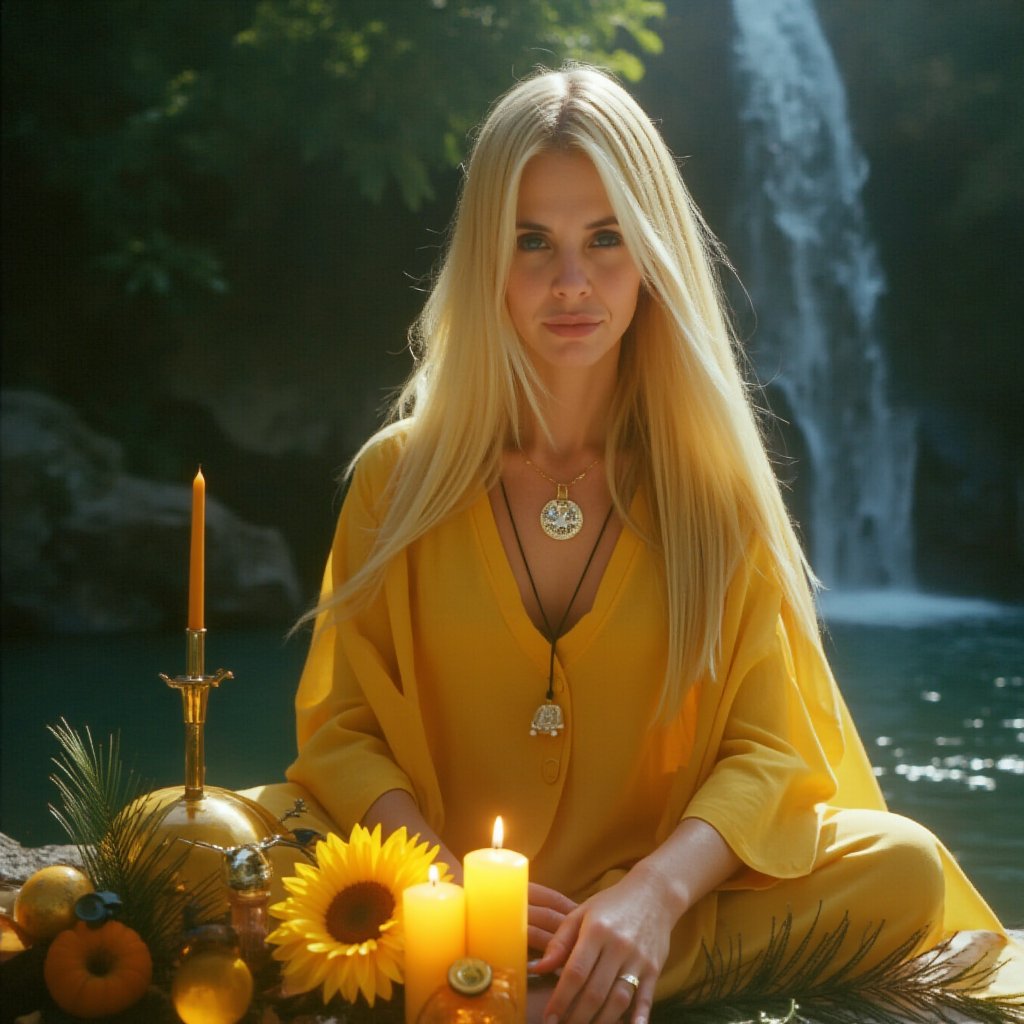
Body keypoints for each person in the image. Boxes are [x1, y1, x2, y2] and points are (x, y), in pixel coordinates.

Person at [250, 64, 1018, 1024]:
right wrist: (436, 886)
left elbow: (768, 750)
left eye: (606, 238)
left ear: (652, 251)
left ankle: (561, 979)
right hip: (428, 884)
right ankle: (500, 968)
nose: (571, 281)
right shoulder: (399, 476)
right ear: (485, 256)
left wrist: (654, 895)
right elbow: (344, 729)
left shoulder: (711, 485)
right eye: (533, 241)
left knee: (898, 865)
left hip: (651, 896)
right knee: (186, 837)